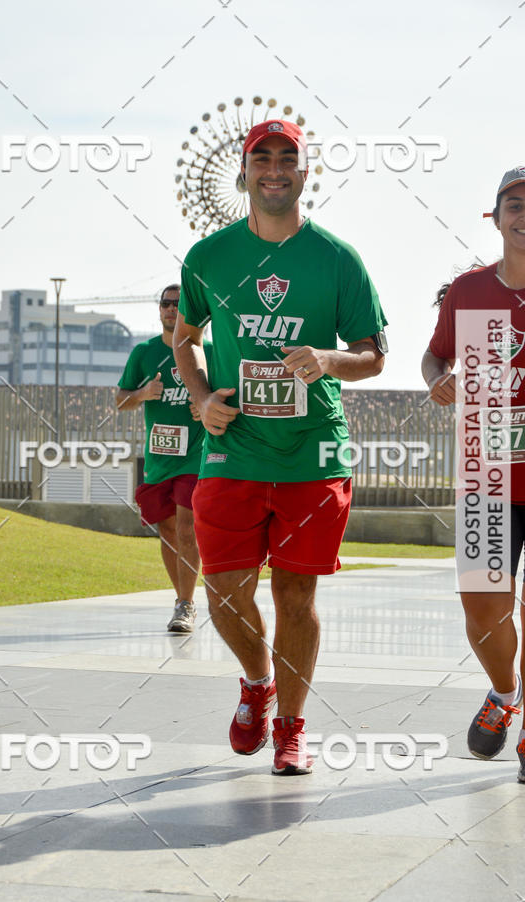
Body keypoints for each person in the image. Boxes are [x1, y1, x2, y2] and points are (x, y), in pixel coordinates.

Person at [173, 120, 388, 775]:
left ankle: (291, 729)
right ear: (244, 173)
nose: (274, 168)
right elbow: (183, 341)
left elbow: (374, 357)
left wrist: (328, 358)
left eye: (286, 157)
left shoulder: (338, 259)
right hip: (233, 453)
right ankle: (258, 682)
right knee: (223, 593)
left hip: (312, 455)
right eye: (261, 157)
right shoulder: (207, 257)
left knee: (297, 599)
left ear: (303, 171)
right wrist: (204, 398)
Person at [423, 165, 525, 782]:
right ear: (496, 217)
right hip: (489, 476)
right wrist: (439, 380)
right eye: (513, 202)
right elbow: (436, 353)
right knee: (483, 606)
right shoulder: (469, 291)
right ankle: (505, 695)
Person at [116, 284, 209, 632]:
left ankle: (185, 605)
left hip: (196, 456)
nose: (171, 309)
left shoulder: (209, 350)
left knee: (187, 527)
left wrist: (207, 405)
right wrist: (143, 393)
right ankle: (181, 597)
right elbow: (121, 400)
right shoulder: (143, 352)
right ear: (159, 310)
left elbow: (231, 394)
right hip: (159, 458)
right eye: (166, 304)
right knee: (168, 531)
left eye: (178, 304)